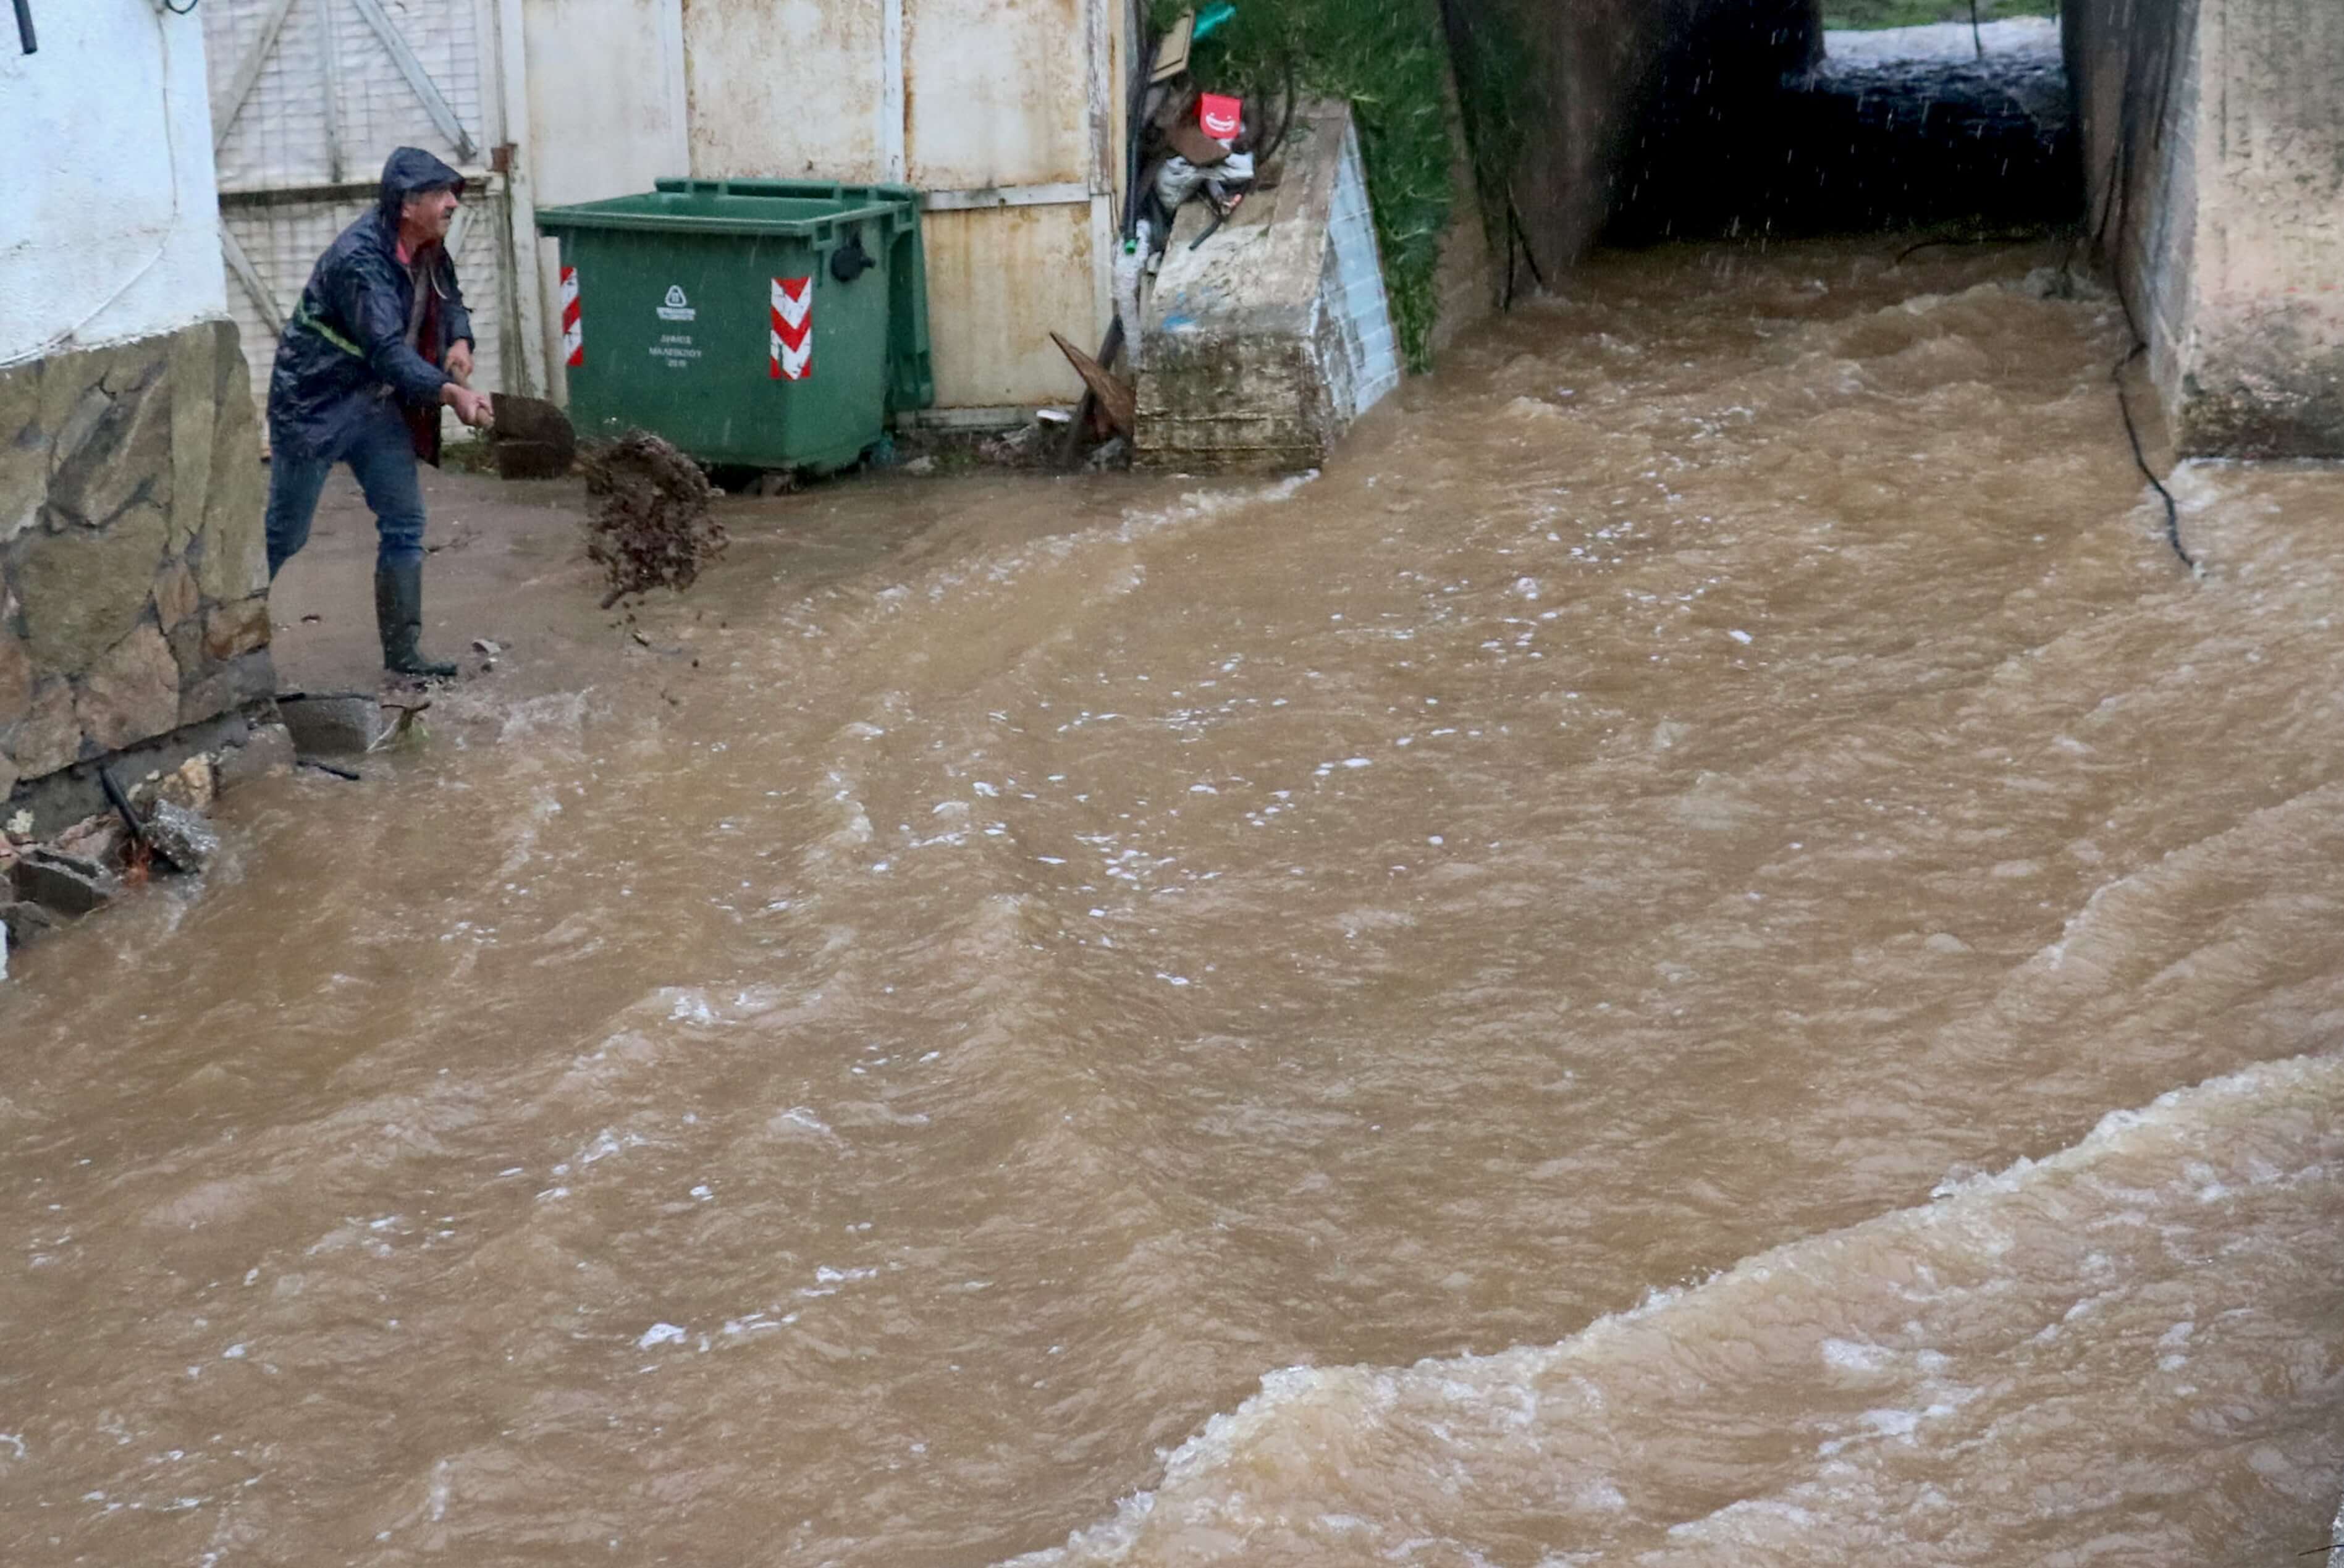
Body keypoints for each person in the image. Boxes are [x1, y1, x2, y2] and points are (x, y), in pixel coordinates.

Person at [263, 146, 494, 679]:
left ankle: (404, 655)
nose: (452, 203)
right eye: (440, 195)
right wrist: (450, 393)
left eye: (451, 192)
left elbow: (450, 296)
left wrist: (459, 339)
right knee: (286, 534)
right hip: (314, 405)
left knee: (405, 521)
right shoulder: (359, 262)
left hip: (375, 402)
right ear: (407, 205)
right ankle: (224, 638)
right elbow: (388, 353)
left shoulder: (429, 246)